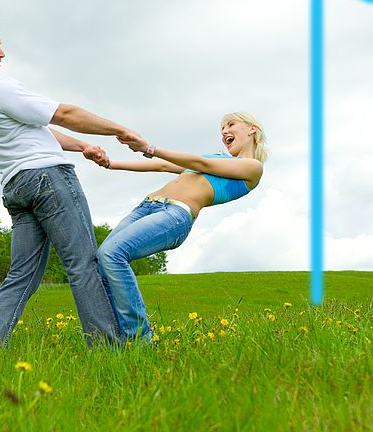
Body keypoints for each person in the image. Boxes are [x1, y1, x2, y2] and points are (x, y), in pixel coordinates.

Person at [0, 18, 142, 351]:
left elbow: (32, 128)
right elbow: (64, 113)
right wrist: (118, 129)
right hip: (48, 180)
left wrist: (81, 146)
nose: (2, 54)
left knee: (20, 276)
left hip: (16, 187)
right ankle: (108, 350)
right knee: (84, 265)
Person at [95, 112, 267, 343]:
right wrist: (111, 164)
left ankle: (141, 339)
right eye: (222, 128)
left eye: (231, 125)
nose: (224, 131)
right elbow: (164, 166)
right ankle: (112, 341)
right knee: (101, 263)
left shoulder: (253, 168)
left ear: (252, 129)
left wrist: (149, 147)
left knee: (112, 254)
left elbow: (200, 163)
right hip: (145, 207)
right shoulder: (217, 158)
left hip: (175, 215)